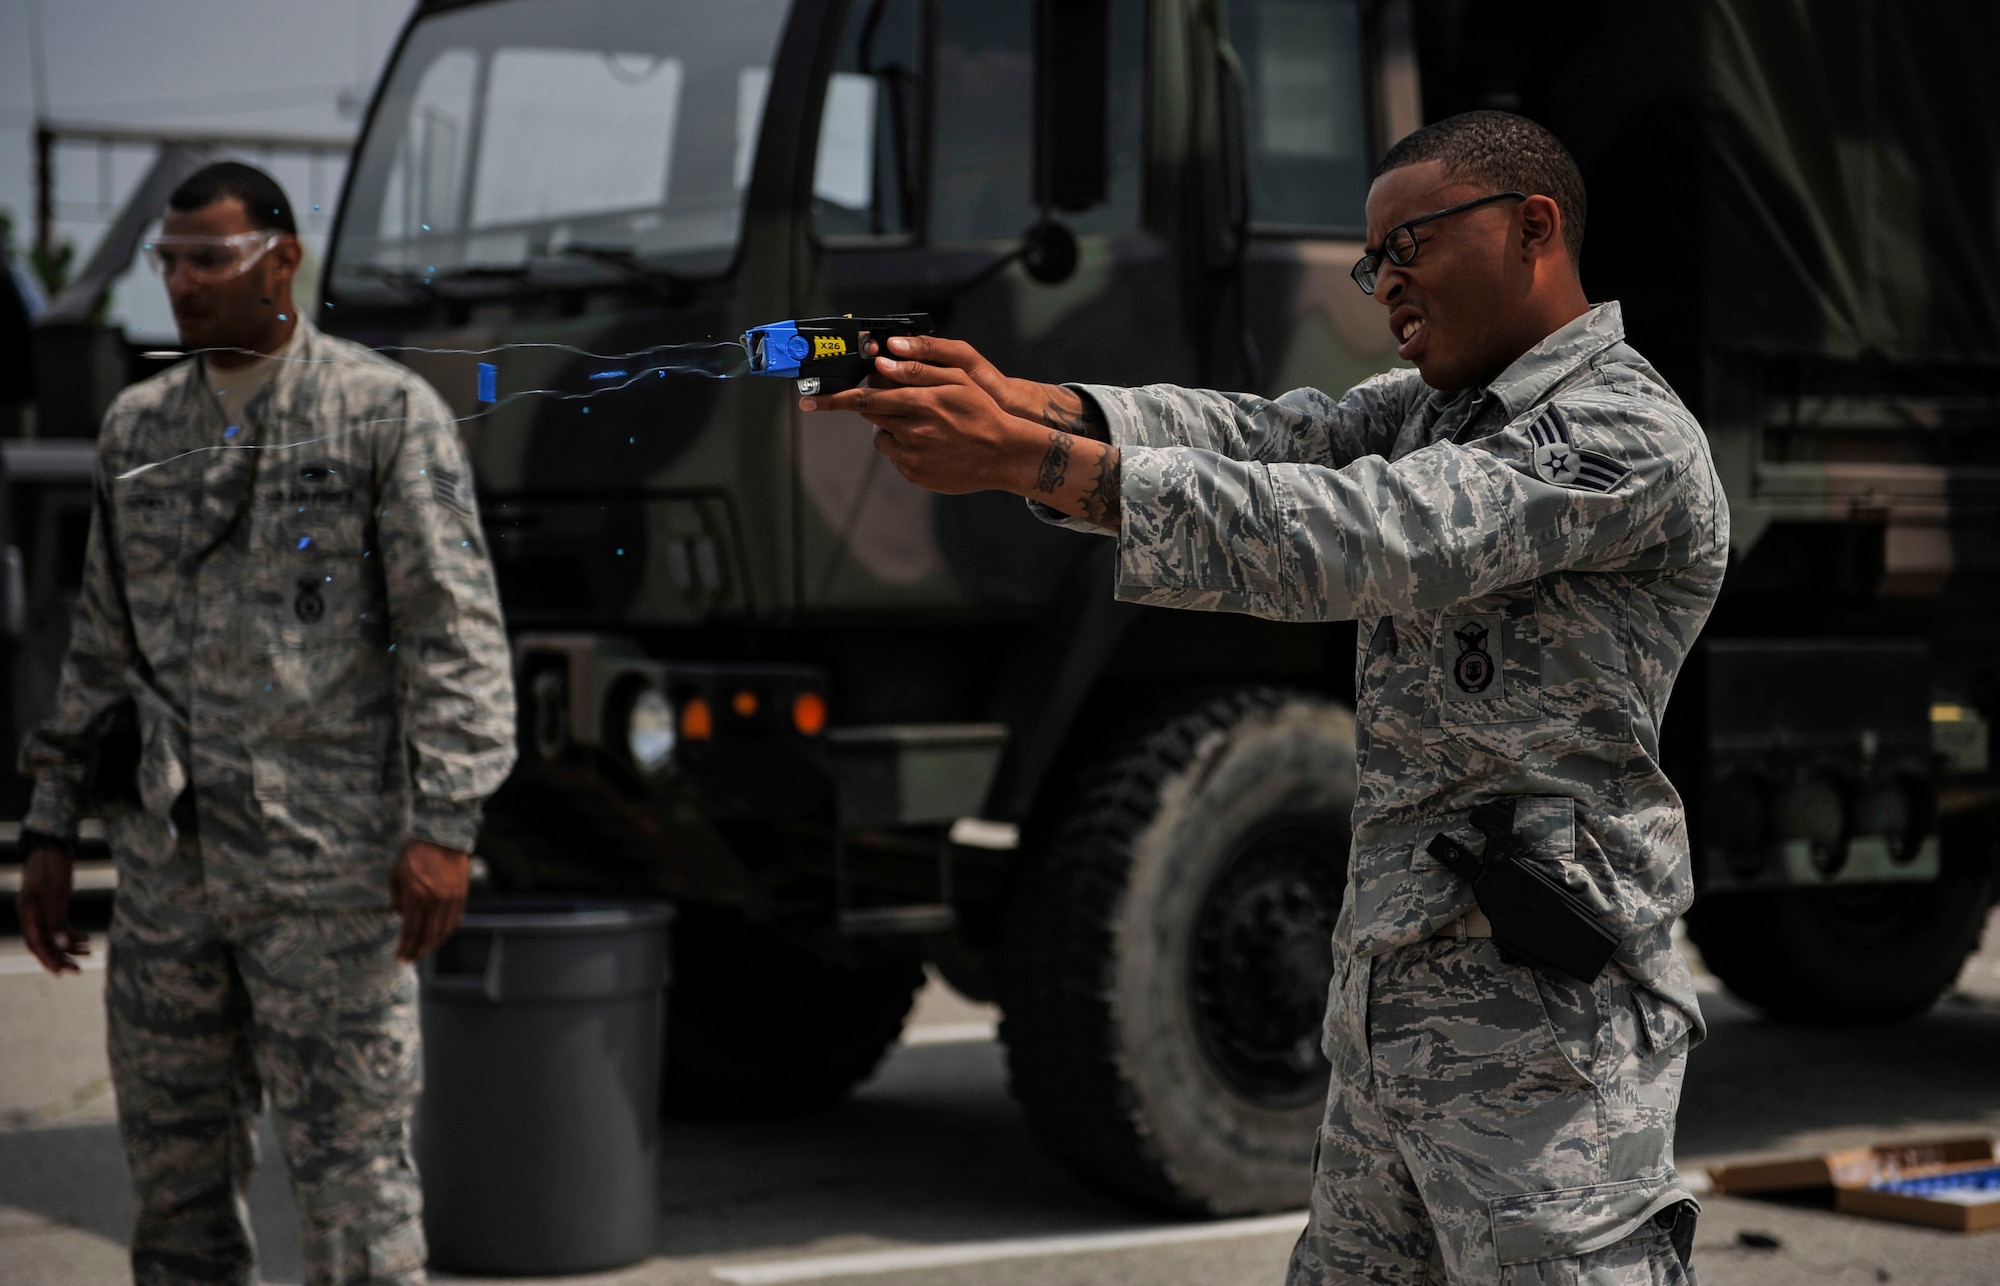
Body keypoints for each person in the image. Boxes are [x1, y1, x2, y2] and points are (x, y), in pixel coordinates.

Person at [804, 111, 1725, 1284]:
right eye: (1370, 259)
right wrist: (1026, 400)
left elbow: (1364, 533)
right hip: (1393, 1004)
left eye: (1411, 246)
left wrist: (1032, 462)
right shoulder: (1433, 409)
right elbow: (1271, 436)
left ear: (1532, 225)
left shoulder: (1622, 435)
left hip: (1546, 1038)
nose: (1384, 284)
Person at [14, 161, 516, 1286]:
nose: (185, 284)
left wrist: (446, 823)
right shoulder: (138, 427)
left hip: (331, 883)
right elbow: (100, 639)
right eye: (170, 261)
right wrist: (51, 819)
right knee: (174, 1202)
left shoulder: (384, 415)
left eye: (212, 259)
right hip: (169, 881)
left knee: (356, 1201)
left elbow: (456, 632)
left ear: (281, 261)